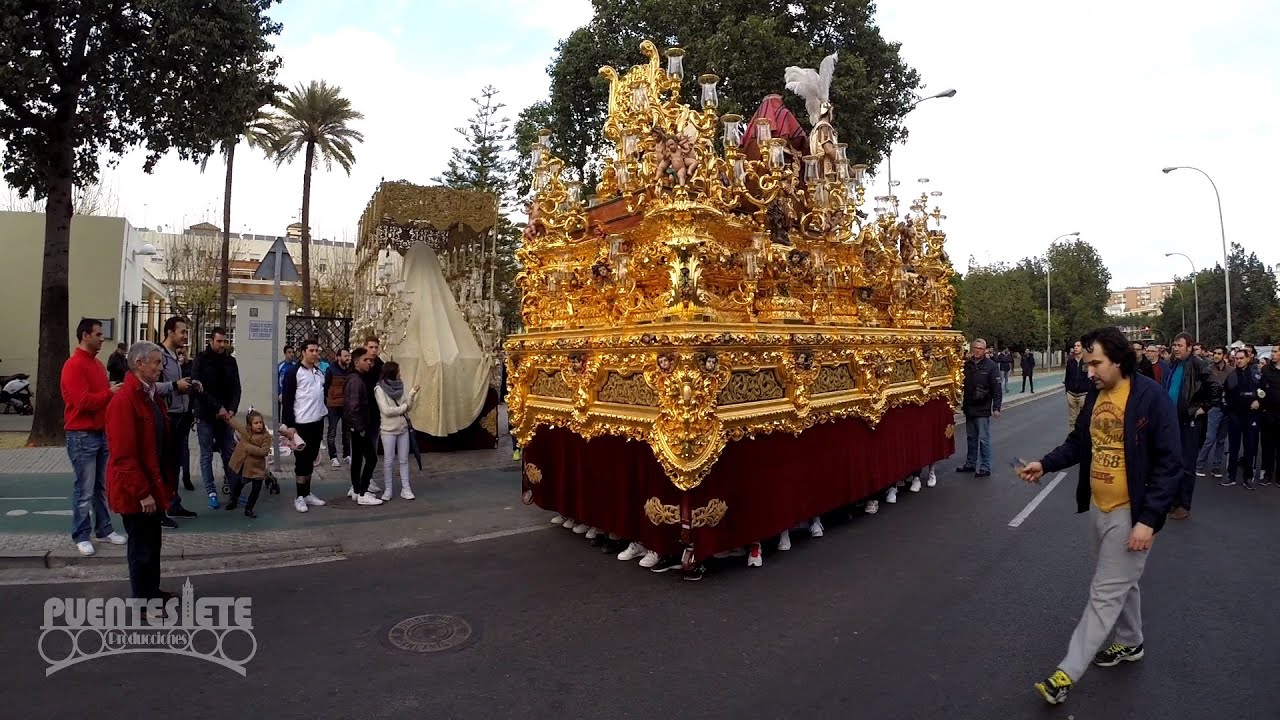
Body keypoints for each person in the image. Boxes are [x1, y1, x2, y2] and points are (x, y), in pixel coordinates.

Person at [1018, 327, 1181, 706]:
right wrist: (1044, 464)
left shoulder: (1150, 398)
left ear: (1119, 360)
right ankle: (1130, 642)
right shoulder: (1096, 395)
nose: (1088, 371)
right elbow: (1079, 442)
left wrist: (1149, 520)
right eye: (1087, 363)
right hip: (1098, 506)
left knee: (1105, 592)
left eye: (1095, 363)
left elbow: (1170, 464)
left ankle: (1066, 674)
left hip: (1131, 513)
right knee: (1123, 582)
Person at [105, 341, 176, 613]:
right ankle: (142, 603)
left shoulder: (149, 394)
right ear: (139, 363)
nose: (161, 368)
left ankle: (152, 592)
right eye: (156, 363)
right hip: (136, 490)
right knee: (140, 547)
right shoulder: (125, 400)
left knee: (152, 542)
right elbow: (123, 455)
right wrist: (141, 491)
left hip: (152, 482)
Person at [61, 318, 126, 556]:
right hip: (81, 435)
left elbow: (101, 399)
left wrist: (111, 396)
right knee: (85, 488)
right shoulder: (73, 365)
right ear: (85, 335)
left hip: (100, 433)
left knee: (101, 487)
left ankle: (104, 529)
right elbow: (82, 402)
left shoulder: (97, 365)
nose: (102, 338)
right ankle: (81, 534)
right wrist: (109, 393)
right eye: (98, 334)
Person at [1163, 332, 1218, 520]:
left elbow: (1215, 388)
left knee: (1186, 465)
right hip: (1173, 421)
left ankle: (1183, 505)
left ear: (1189, 347)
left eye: (1179, 345)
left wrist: (1203, 408)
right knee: (1173, 463)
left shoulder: (1198, 364)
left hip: (1189, 422)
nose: (1175, 348)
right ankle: (1174, 501)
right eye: (1174, 345)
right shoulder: (1175, 364)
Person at [191, 327, 243, 510]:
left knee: (229, 452)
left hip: (226, 417)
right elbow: (198, 388)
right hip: (205, 415)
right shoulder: (200, 360)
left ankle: (234, 490)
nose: (222, 345)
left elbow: (236, 388)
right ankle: (211, 492)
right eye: (219, 341)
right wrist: (217, 407)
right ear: (211, 341)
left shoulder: (230, 361)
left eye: (224, 341)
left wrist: (231, 409)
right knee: (206, 455)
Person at [154, 316, 199, 520]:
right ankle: (161, 509)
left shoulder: (175, 355)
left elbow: (175, 383)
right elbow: (151, 386)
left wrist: (190, 384)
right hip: (167, 418)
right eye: (182, 331)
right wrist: (174, 386)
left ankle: (173, 503)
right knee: (164, 465)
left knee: (174, 465)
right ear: (170, 332)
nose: (185, 336)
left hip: (180, 417)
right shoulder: (159, 356)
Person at [281, 339, 329, 513]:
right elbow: (287, 400)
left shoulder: (319, 372)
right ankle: (299, 496)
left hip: (317, 421)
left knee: (311, 458)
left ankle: (307, 493)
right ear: (303, 352)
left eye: (317, 350)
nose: (315, 354)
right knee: (301, 460)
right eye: (311, 350)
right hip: (301, 424)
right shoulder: (293, 372)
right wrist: (289, 425)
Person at [374, 361, 421, 501]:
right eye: (398, 370)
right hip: (388, 429)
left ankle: (406, 488)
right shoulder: (379, 389)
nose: (400, 373)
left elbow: (408, 406)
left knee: (404, 459)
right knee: (388, 461)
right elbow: (386, 411)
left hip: (403, 428)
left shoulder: (401, 385)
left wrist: (412, 395)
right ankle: (388, 489)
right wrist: (404, 407)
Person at [957, 338, 1002, 477]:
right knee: (971, 438)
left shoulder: (991, 366)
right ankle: (970, 463)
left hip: (982, 408)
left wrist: (997, 407)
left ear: (985, 350)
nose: (977, 350)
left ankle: (985, 466)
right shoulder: (967, 365)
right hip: (969, 407)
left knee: (983, 438)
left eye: (980, 348)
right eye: (975, 348)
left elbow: (996, 388)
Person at [344, 347, 382, 506]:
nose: (369, 363)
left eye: (371, 360)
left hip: (356, 427)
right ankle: (363, 492)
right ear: (356, 362)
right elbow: (353, 407)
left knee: (358, 459)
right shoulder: (356, 380)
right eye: (366, 360)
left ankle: (356, 488)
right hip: (359, 427)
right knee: (372, 458)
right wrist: (360, 428)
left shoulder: (357, 378)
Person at [1220, 348, 1262, 490]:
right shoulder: (1231, 376)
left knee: (1250, 448)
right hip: (1235, 416)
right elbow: (1224, 395)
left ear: (1248, 359)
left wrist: (1258, 402)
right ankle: (1231, 476)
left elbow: (1264, 393)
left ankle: (1248, 477)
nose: (1238, 361)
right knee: (1233, 448)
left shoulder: (1256, 375)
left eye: (1241, 358)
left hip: (1251, 417)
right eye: (1236, 358)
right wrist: (1227, 412)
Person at [222, 409, 272, 518]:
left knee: (256, 489)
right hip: (245, 467)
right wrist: (228, 417)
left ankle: (249, 509)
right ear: (250, 425)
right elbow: (237, 425)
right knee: (239, 485)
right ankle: (233, 500)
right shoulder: (246, 432)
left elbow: (264, 451)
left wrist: (249, 448)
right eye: (256, 423)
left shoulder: (266, 437)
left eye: (260, 422)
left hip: (257, 468)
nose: (259, 425)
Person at [1195, 346, 1231, 479]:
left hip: (1227, 408)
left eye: (1219, 353)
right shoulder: (1208, 370)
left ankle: (1216, 466)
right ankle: (1199, 464)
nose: (1216, 356)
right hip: (1214, 408)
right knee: (1210, 438)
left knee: (1221, 440)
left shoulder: (1231, 371)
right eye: (1214, 353)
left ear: (1224, 355)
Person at [324, 348, 353, 467]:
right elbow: (325, 387)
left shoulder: (350, 370)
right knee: (332, 431)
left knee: (347, 432)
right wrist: (328, 400)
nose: (348, 358)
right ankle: (333, 456)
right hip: (334, 405)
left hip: (346, 405)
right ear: (338, 357)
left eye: (349, 356)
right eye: (345, 356)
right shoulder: (331, 370)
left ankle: (347, 455)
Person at [1259, 346, 1280, 486]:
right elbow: (1260, 388)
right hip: (1268, 414)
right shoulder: (1266, 369)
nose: (1273, 354)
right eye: (1272, 352)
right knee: (1267, 446)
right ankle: (1267, 473)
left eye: (1276, 352)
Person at [1063, 340, 1092, 432]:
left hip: (1083, 394)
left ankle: (1081, 438)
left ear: (1082, 348)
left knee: (1082, 418)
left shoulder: (1087, 362)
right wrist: (1067, 391)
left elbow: (1091, 377)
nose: (1076, 347)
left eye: (1078, 346)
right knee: (1072, 420)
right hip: (1071, 394)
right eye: (1075, 346)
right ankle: (1072, 439)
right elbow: (1067, 377)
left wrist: (1088, 391)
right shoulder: (1070, 362)